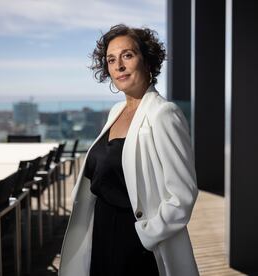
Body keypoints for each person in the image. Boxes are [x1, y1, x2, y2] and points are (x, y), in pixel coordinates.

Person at [59, 24, 199, 276]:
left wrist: (145, 236)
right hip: (100, 234)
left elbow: (183, 196)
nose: (118, 66)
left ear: (147, 60)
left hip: (136, 245)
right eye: (111, 60)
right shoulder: (116, 112)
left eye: (127, 55)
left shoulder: (163, 114)